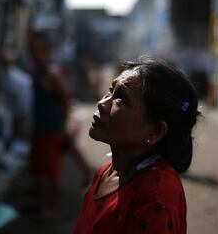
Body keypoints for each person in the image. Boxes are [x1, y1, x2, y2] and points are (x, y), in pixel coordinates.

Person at [73, 57, 200, 234]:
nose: (102, 103)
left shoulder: (156, 200)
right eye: (111, 91)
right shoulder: (106, 171)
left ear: (155, 132)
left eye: (121, 99)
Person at [29, 32, 91, 219]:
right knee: (40, 171)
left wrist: (63, 121)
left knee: (50, 172)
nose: (35, 54)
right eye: (33, 50)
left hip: (52, 129)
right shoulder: (38, 73)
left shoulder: (51, 74)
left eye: (39, 51)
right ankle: (42, 205)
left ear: (47, 53)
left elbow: (66, 97)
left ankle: (50, 208)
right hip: (41, 129)